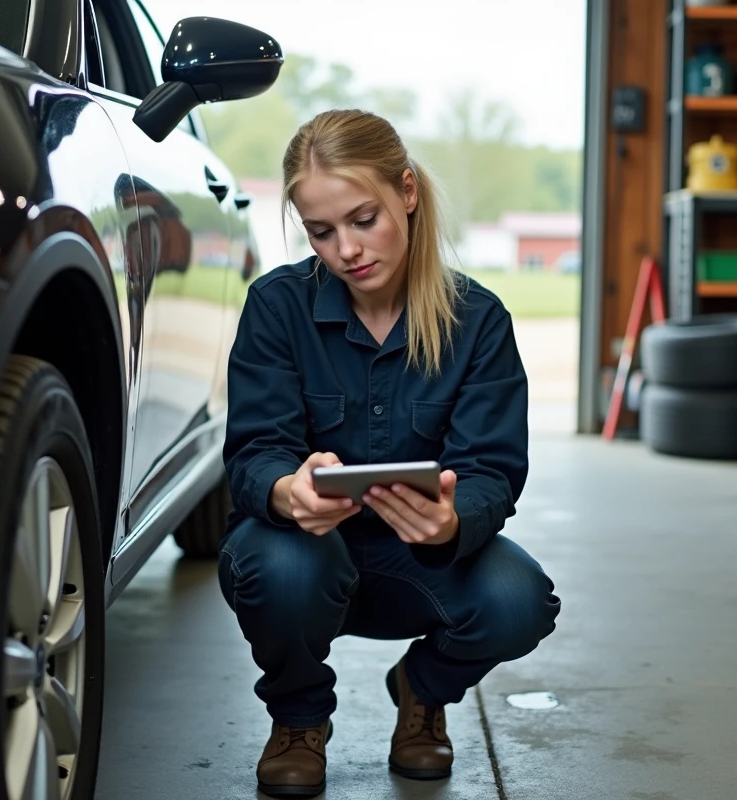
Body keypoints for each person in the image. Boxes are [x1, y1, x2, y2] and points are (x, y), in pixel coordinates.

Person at [218, 108, 561, 798]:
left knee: (520, 601)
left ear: (406, 191)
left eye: (362, 218)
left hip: (421, 564)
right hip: (308, 554)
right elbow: (255, 451)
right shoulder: (277, 308)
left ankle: (422, 690)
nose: (346, 249)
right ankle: (298, 718)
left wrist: (453, 520)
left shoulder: (478, 319)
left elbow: (493, 469)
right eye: (321, 231)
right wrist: (290, 492)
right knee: (276, 563)